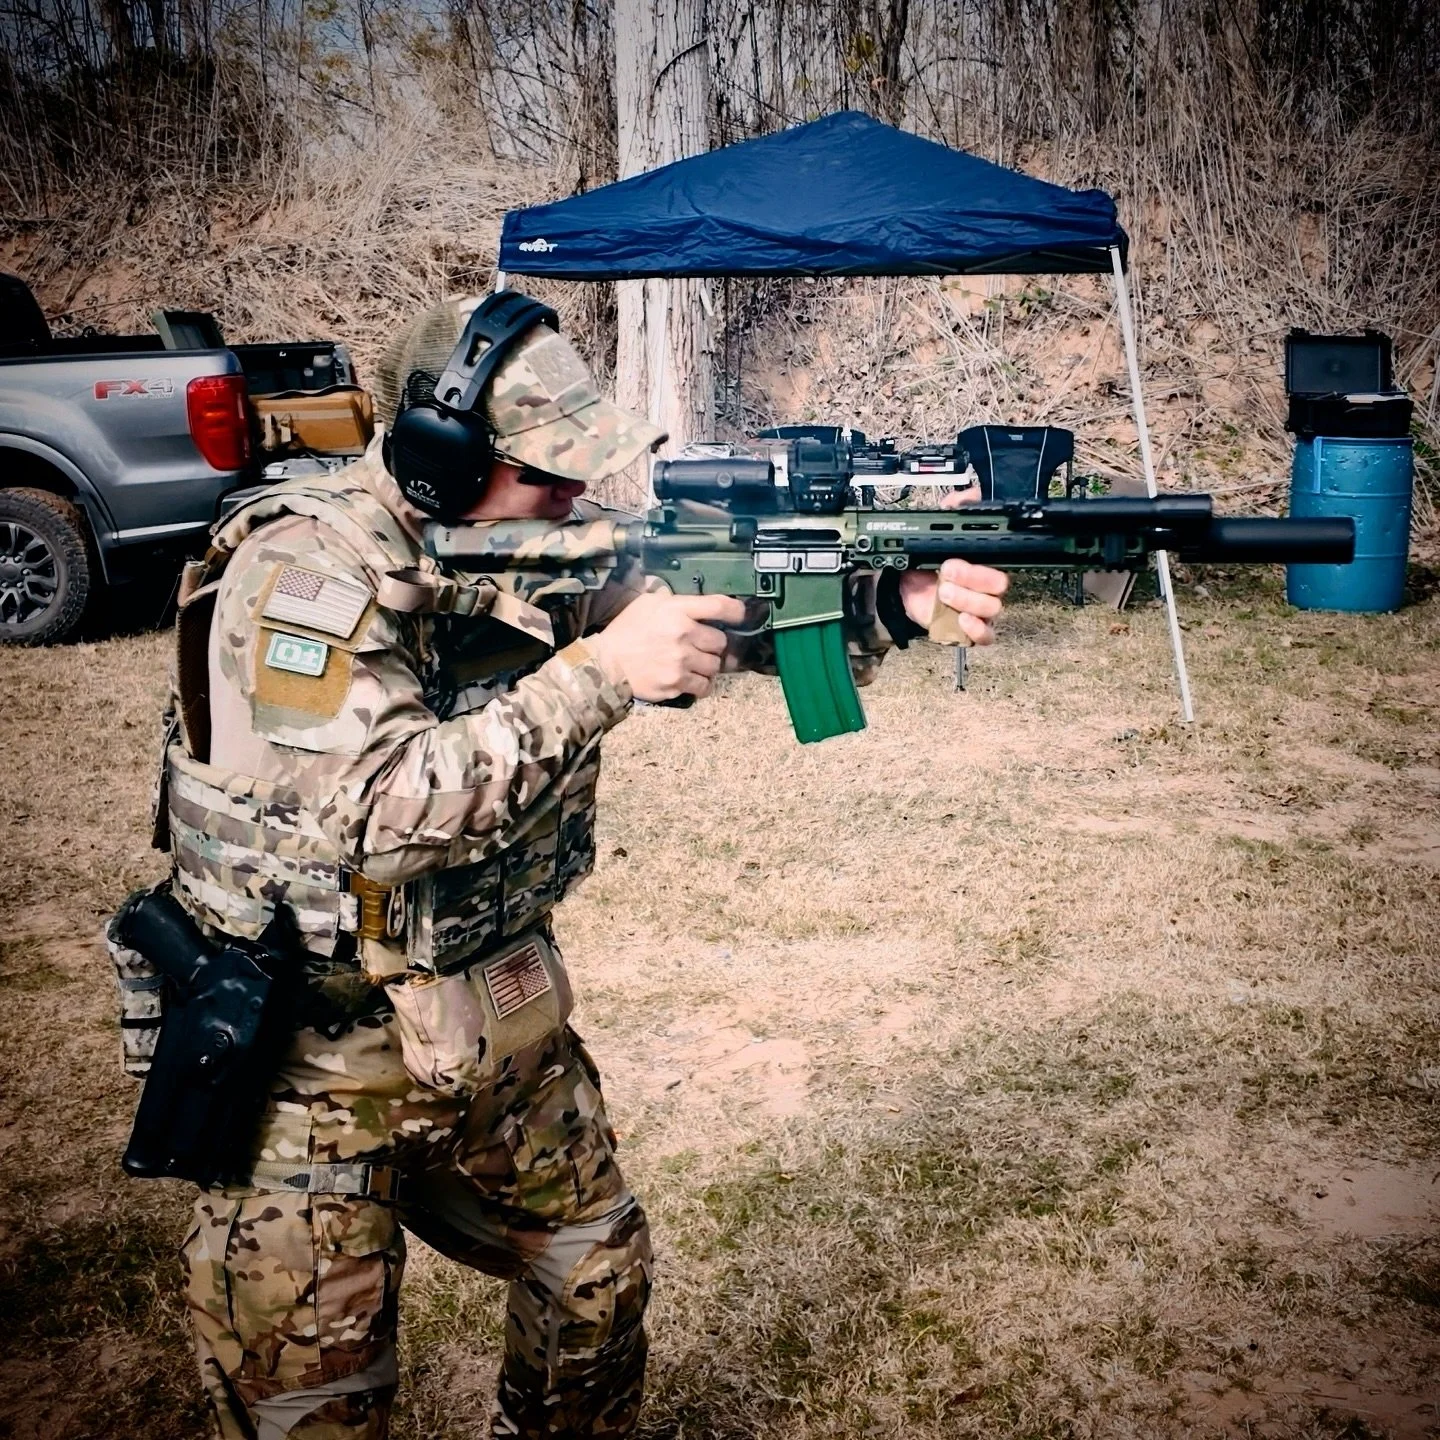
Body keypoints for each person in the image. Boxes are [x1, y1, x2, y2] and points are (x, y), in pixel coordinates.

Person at [146, 291, 1008, 1439]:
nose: (573, 494)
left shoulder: (528, 539)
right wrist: (599, 674)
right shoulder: (300, 576)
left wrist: (885, 600)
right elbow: (375, 814)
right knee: (313, 1403)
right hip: (307, 1051)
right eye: (546, 473)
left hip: (486, 1017)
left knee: (594, 1275)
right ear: (442, 455)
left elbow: (706, 603)